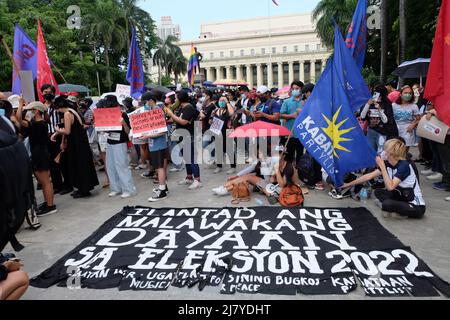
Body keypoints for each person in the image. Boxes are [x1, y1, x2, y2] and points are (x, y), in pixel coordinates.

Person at [342, 139, 426, 219]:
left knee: (387, 204)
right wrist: (348, 184)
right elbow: (368, 176)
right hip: (402, 196)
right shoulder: (389, 163)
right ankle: (396, 209)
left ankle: (396, 209)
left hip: (415, 205)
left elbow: (390, 187)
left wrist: (382, 167)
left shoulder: (404, 166)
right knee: (378, 192)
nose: (383, 152)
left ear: (391, 153)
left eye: (385, 150)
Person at [51, 96, 99, 198]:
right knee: (81, 164)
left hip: (76, 143)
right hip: (80, 142)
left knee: (79, 165)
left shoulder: (67, 114)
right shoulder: (72, 110)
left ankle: (83, 189)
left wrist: (57, 130)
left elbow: (67, 131)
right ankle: (83, 188)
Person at [212, 145, 293, 204]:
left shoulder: (288, 166)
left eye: (278, 154)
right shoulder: (268, 161)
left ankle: (224, 189)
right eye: (274, 154)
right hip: (267, 185)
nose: (275, 156)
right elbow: (250, 169)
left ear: (283, 155)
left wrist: (276, 170)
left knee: (249, 177)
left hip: (277, 189)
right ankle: (225, 187)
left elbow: (281, 185)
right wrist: (237, 175)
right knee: (245, 177)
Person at [16, 101, 56, 216]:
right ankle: (47, 203)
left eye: (30, 110)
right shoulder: (39, 123)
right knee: (43, 182)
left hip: (40, 154)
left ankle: (50, 206)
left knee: (45, 182)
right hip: (40, 153)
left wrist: (19, 104)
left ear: (36, 111)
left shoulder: (38, 124)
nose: (27, 112)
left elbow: (19, 119)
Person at [100, 95, 137, 198]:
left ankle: (128, 189)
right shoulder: (106, 114)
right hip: (110, 141)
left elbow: (129, 131)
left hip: (120, 143)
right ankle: (116, 188)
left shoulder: (123, 114)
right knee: (110, 166)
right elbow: (106, 130)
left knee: (122, 166)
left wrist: (123, 123)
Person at [166, 90, 202, 190]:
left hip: (188, 136)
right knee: (186, 158)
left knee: (191, 158)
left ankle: (197, 180)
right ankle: (189, 177)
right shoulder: (181, 108)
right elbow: (175, 119)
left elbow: (183, 122)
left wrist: (171, 114)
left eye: (177, 98)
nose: (175, 100)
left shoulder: (189, 108)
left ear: (181, 99)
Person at [140, 93, 170, 202]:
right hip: (154, 144)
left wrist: (147, 136)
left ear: (151, 100)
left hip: (158, 144)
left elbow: (161, 131)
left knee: (160, 167)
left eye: (145, 102)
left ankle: (162, 192)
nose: (144, 105)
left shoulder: (157, 111)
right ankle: (163, 187)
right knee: (158, 167)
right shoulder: (152, 111)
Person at [41, 84, 68, 194]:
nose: (47, 93)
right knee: (51, 163)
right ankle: (57, 185)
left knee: (62, 161)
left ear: (53, 93)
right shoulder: (40, 106)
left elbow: (63, 122)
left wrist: (62, 137)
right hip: (46, 137)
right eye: (45, 91)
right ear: (42, 93)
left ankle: (67, 185)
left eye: (50, 91)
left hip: (58, 135)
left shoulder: (57, 106)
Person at [361, 85, 398, 153]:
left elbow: (386, 121)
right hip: (371, 131)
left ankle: (380, 163)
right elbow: (362, 117)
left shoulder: (387, 104)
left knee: (381, 152)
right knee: (371, 151)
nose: (378, 97)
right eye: (375, 93)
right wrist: (368, 104)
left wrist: (380, 110)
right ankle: (373, 163)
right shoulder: (369, 103)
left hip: (383, 131)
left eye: (380, 95)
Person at [280, 80, 305, 163]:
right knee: (289, 157)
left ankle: (299, 173)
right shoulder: (287, 101)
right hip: (290, 133)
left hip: (302, 134)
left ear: (301, 89)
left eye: (297, 88)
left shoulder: (305, 102)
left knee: (300, 156)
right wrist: (291, 116)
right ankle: (289, 174)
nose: (295, 90)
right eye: (293, 88)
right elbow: (281, 115)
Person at [211, 95, 236, 174]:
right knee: (218, 149)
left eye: (223, 100)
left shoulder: (229, 110)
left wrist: (227, 102)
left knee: (229, 149)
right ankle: (219, 166)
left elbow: (232, 113)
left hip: (227, 131)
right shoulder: (215, 111)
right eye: (220, 100)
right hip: (218, 132)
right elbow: (210, 120)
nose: (221, 101)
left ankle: (233, 167)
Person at [392, 85, 421, 152]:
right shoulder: (394, 105)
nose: (408, 95)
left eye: (410, 93)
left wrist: (413, 125)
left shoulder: (414, 106)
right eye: (405, 93)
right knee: (396, 150)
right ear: (401, 94)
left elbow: (419, 119)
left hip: (408, 130)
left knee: (404, 152)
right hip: (396, 129)